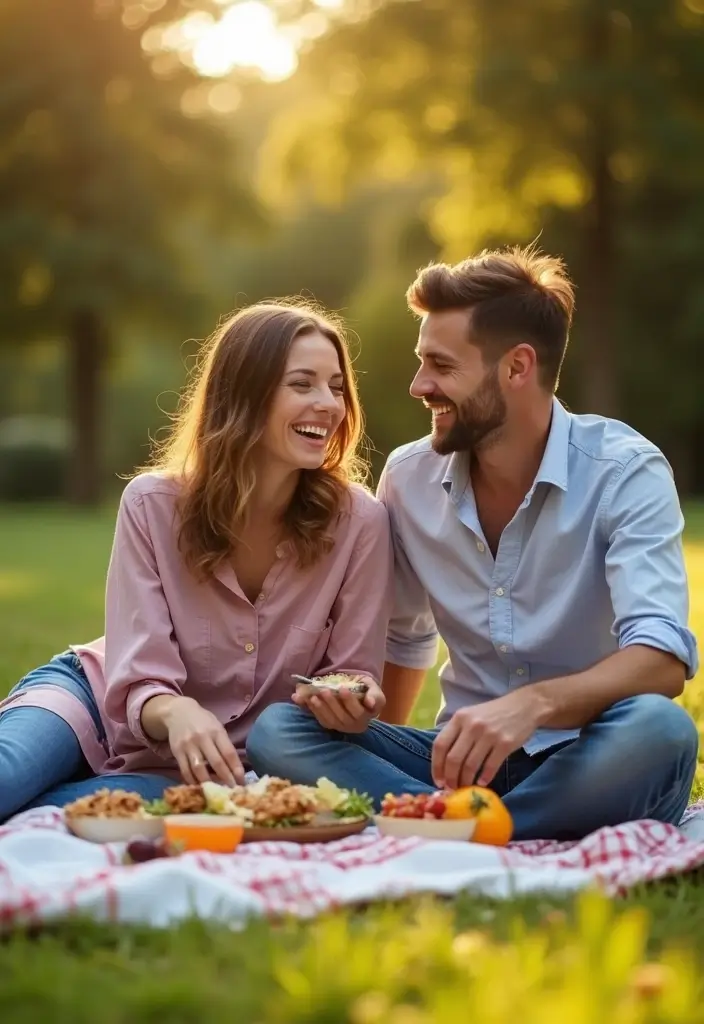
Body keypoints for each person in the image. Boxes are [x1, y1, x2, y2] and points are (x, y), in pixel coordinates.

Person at [246, 246, 700, 841]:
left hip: (591, 750)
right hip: (456, 764)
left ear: (516, 367)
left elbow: (663, 659)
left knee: (661, 731)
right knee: (280, 732)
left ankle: (450, 826)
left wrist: (531, 706)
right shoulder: (408, 480)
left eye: (441, 366)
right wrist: (362, 729)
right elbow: (404, 637)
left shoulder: (625, 471)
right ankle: (478, 824)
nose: (418, 385)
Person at [0, 301, 393, 822]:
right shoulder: (152, 505)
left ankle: (79, 788)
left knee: (74, 812)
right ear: (244, 395)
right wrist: (179, 710)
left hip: (212, 767)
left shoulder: (359, 523)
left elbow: (351, 673)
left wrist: (350, 702)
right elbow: (138, 676)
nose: (329, 404)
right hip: (94, 702)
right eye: (303, 384)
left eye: (336, 387)